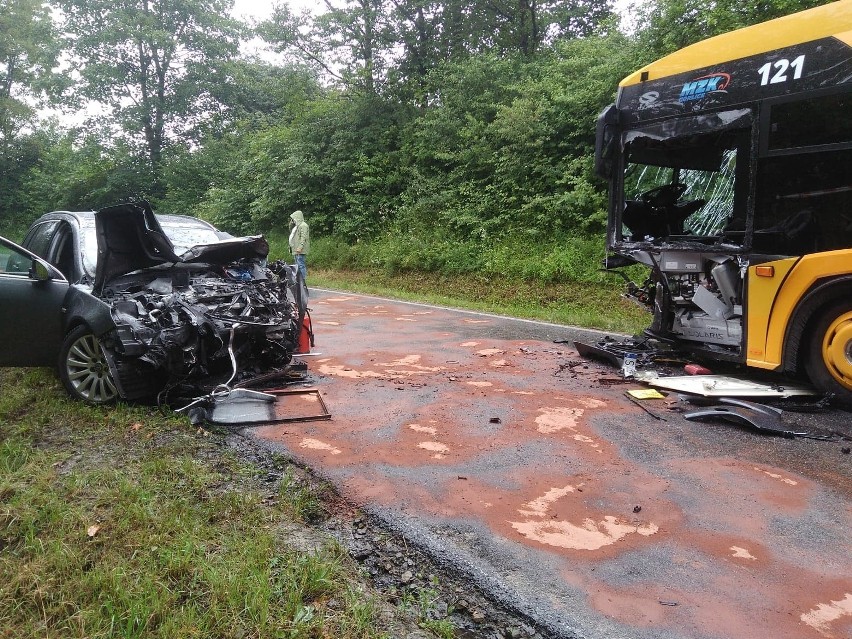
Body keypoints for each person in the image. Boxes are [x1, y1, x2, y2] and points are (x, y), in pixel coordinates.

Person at [288, 209, 310, 284]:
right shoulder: (297, 226)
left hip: (300, 250)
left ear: (297, 217)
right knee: (297, 266)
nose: (293, 220)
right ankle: (298, 281)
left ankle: (302, 281)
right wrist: (291, 223)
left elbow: (303, 238)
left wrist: (300, 247)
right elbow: (291, 231)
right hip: (295, 249)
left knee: (301, 265)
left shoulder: (303, 225)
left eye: (293, 218)